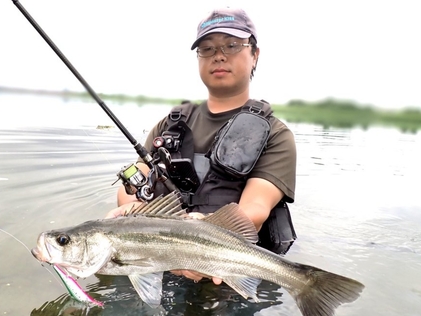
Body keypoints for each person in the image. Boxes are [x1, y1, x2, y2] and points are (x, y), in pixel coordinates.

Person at [106, 7, 296, 285]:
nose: (218, 55)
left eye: (232, 45)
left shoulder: (277, 135)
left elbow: (254, 210)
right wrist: (127, 212)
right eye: (207, 48)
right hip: (154, 258)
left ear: (255, 55)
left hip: (228, 268)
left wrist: (196, 243)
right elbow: (133, 186)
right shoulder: (168, 125)